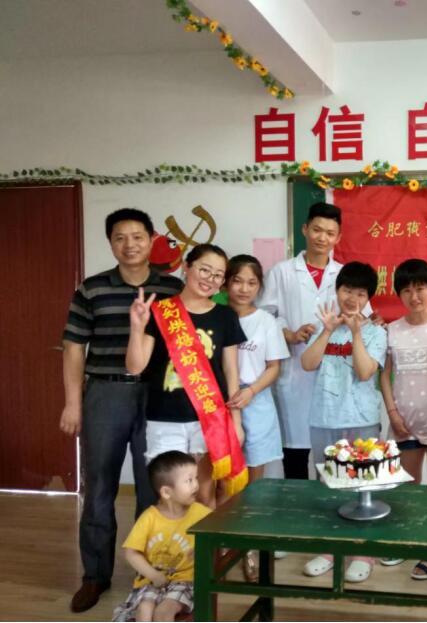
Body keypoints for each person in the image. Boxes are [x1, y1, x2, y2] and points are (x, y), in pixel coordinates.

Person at [61, 208, 183, 612]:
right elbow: (74, 348)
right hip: (106, 394)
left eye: (137, 236)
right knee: (99, 486)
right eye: (120, 237)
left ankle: (150, 575)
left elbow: (188, 346)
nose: (129, 244)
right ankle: (95, 576)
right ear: (110, 243)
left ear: (151, 240)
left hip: (158, 396)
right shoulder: (92, 289)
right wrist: (73, 403)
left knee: (156, 488)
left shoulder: (171, 288)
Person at [126, 243, 248, 508]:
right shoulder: (160, 312)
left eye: (218, 275)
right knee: (169, 496)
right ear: (186, 267)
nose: (210, 279)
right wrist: (137, 328)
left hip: (209, 418)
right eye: (204, 270)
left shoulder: (225, 316)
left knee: (203, 495)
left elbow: (231, 372)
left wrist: (236, 422)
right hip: (165, 418)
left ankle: (203, 539)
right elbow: (135, 367)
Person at [259, 202, 370, 480]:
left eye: (330, 233)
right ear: (305, 229)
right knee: (295, 454)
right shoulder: (282, 272)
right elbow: (265, 318)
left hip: (337, 377)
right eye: (317, 230)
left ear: (338, 237)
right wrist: (289, 334)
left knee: (334, 457)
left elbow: (363, 317)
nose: (322, 238)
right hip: (295, 372)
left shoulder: (345, 275)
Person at [300, 261, 387, 583]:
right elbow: (307, 363)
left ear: (368, 298)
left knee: (363, 486)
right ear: (337, 291)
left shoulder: (376, 332)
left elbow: (364, 372)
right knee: (327, 487)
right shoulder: (324, 324)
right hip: (324, 418)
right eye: (347, 290)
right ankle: (330, 550)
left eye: (360, 293)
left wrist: (356, 333)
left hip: (361, 419)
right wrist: (326, 330)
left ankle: (363, 553)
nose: (352, 298)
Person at [379, 258, 427, 581]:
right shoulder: (391, 330)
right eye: (407, 290)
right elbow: (385, 376)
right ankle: (407, 540)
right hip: (404, 420)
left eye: (420, 288)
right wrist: (392, 413)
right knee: (408, 484)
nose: (414, 296)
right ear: (399, 294)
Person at [224, 254, 290, 581]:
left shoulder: (266, 321)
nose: (244, 288)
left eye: (252, 283)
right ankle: (223, 544)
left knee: (253, 484)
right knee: (223, 480)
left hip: (257, 401)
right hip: (221, 404)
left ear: (260, 287)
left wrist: (250, 392)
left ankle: (249, 548)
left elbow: (274, 366)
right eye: (237, 281)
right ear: (226, 283)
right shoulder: (216, 316)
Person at [112, 451, 211, 622]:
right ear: (166, 492)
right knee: (144, 608)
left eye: (196, 478)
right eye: (189, 480)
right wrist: (153, 575)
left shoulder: (202, 514)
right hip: (151, 580)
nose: (196, 485)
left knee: (163, 612)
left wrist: (204, 550)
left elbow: (220, 535)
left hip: (185, 581)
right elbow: (131, 553)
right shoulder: (149, 518)